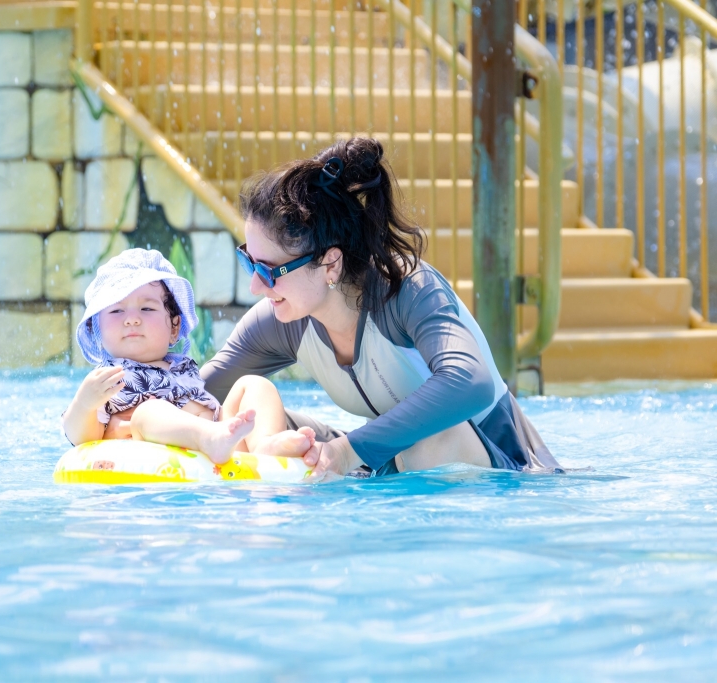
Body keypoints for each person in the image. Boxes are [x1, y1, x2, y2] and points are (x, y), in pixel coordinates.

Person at [202, 138, 561, 479]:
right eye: (249, 262)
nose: (255, 286)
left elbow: (471, 382)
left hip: (507, 471)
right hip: (385, 466)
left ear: (330, 264)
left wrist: (348, 451)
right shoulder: (284, 317)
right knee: (245, 408)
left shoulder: (405, 289)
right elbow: (191, 393)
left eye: (268, 271)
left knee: (429, 439)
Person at [63, 248, 317, 465]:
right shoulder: (105, 380)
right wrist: (84, 404)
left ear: (174, 327)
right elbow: (82, 439)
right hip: (163, 450)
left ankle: (265, 445)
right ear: (97, 329)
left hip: (222, 436)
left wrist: (221, 425)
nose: (132, 319)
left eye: (147, 308)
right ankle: (208, 438)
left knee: (254, 384)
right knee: (147, 411)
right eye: (116, 310)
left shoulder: (182, 367)